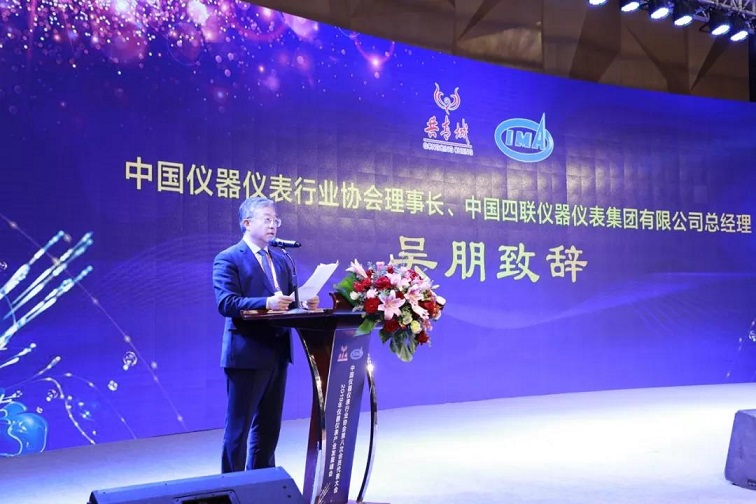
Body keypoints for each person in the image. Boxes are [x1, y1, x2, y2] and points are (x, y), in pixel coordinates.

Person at [213, 196, 318, 473]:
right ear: (247, 223)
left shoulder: (281, 260)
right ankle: (233, 487)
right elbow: (227, 303)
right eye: (267, 219)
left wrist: (305, 303)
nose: (273, 225)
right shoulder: (229, 258)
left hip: (278, 354)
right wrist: (266, 302)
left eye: (275, 220)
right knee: (238, 431)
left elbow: (289, 303)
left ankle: (262, 484)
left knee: (269, 429)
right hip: (246, 355)